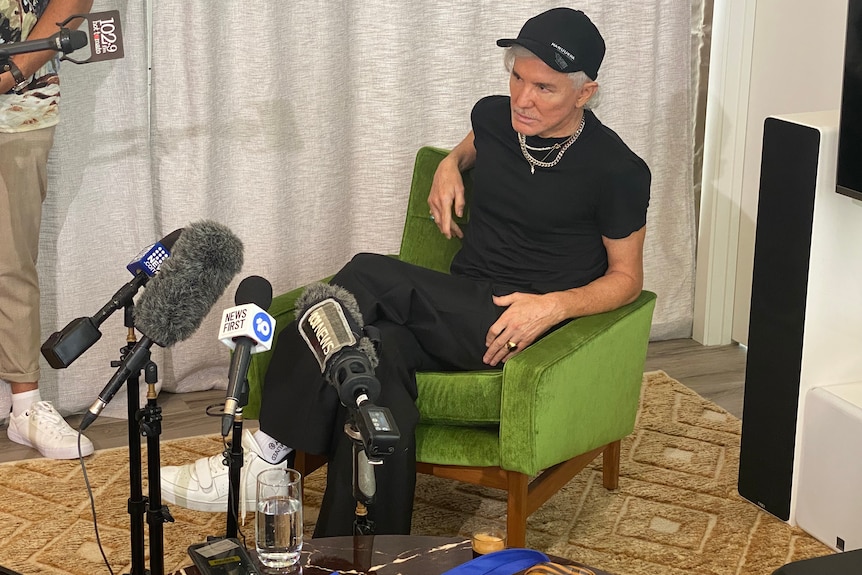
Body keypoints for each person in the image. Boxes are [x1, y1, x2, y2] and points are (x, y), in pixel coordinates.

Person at [160, 6, 650, 536]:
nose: (523, 99)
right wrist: (449, 165)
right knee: (373, 359)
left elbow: (627, 280)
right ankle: (359, 553)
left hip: (518, 322)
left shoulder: (616, 171)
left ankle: (268, 450)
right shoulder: (494, 117)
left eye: (545, 88)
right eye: (517, 77)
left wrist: (552, 306)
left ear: (585, 93)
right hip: (457, 302)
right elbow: (474, 143)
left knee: (369, 274)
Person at [1, 0, 95, 459]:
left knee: (11, 258)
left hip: (17, 105)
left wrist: (11, 73)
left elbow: (75, 2)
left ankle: (25, 408)